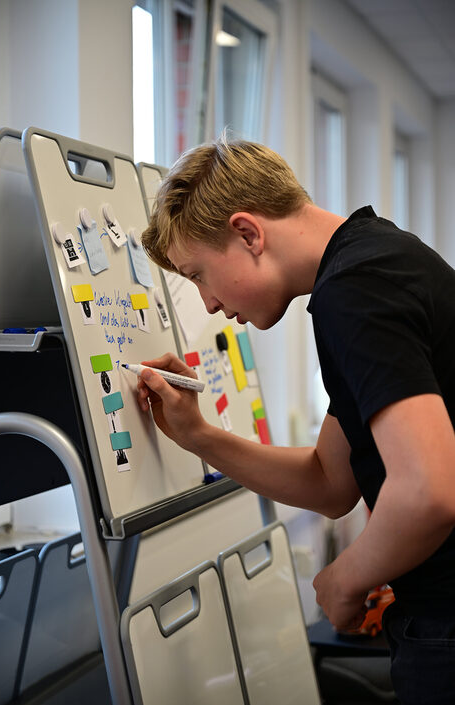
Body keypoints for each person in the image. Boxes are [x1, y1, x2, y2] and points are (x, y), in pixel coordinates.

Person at [137, 135, 455, 705]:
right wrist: (198, 435)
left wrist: (346, 577)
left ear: (247, 233)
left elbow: (429, 492)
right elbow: (330, 481)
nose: (207, 303)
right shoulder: (371, 260)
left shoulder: (354, 292)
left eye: (199, 274)